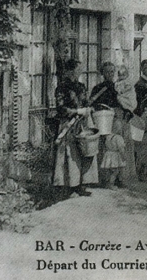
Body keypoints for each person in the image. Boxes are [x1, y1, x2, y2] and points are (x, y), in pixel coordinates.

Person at [52, 59, 97, 198]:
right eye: (78, 69)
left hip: (82, 123)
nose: (80, 71)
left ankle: (81, 185)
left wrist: (89, 108)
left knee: (84, 151)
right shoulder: (62, 87)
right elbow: (61, 108)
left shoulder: (81, 86)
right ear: (71, 71)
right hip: (68, 124)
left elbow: (85, 101)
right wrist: (77, 112)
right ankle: (68, 186)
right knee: (70, 155)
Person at [100, 117, 126, 190]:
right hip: (115, 155)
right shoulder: (118, 137)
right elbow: (121, 148)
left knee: (109, 171)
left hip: (108, 154)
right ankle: (111, 184)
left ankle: (107, 183)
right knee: (115, 171)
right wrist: (123, 156)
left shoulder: (108, 136)